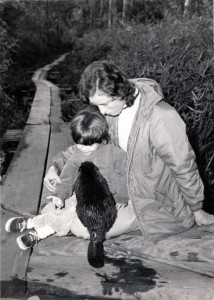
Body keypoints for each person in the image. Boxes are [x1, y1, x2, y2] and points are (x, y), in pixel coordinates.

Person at [43, 60, 214, 243]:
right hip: (117, 192)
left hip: (155, 204)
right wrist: (55, 166)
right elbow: (86, 146)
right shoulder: (113, 112)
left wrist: (196, 208)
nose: (102, 112)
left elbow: (183, 166)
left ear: (120, 91)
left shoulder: (162, 117)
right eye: (97, 106)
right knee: (49, 210)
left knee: (83, 227)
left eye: (105, 104)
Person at [5, 106, 137, 250]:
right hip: (80, 197)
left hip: (105, 202)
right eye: (79, 143)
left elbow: (125, 186)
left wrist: (102, 204)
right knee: (53, 208)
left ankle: (37, 232)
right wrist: (59, 195)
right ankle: (35, 222)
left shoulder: (116, 155)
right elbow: (68, 175)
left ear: (101, 137)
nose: (83, 148)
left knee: (70, 215)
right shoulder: (78, 151)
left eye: (89, 145)